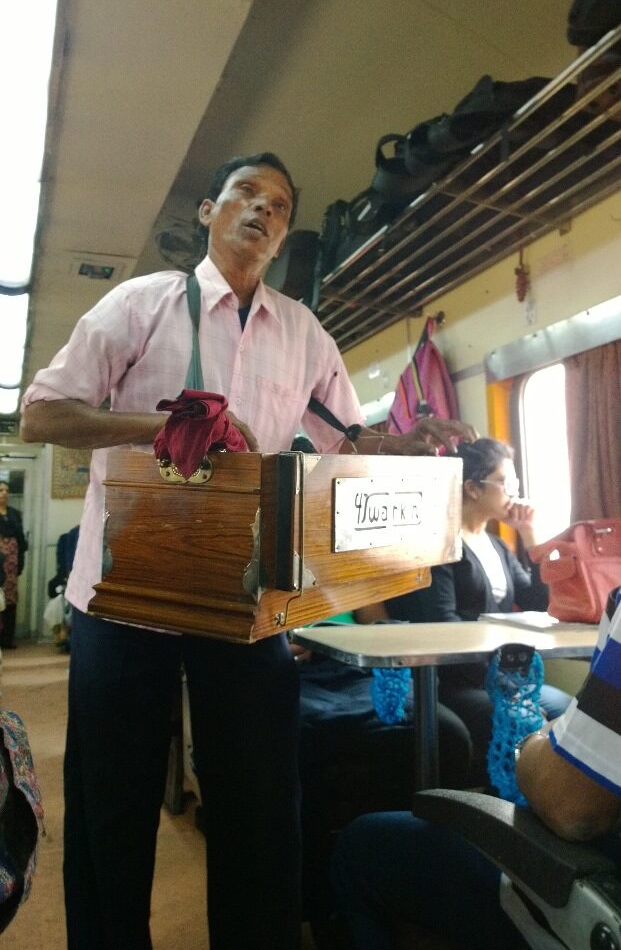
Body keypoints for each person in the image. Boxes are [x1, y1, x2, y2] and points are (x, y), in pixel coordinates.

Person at [20, 151, 475, 950]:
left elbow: (346, 436)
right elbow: (43, 417)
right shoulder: (141, 304)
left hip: (245, 600)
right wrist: (156, 428)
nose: (261, 210)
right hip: (125, 593)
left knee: (262, 804)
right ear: (207, 211)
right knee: (112, 803)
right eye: (245, 194)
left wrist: (403, 442)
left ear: (284, 234)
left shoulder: (302, 331)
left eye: (279, 205)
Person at [330, 586, 621, 950]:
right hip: (466, 680)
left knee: (362, 845)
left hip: (594, 894)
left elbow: (573, 808)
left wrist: (530, 743)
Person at [378, 438, 570, 781]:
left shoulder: (497, 545)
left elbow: (539, 603)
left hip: (501, 675)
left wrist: (529, 535)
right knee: (528, 720)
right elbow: (443, 625)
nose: (513, 492)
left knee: (571, 710)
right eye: (505, 482)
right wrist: (501, 677)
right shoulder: (442, 545)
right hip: (457, 679)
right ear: (473, 488)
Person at [0, 482, 28, 650]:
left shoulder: (15, 514)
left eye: (6, 491)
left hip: (11, 566)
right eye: (0, 490)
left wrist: (19, 563)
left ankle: (7, 640)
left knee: (10, 602)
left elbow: (21, 541)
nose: (4, 493)